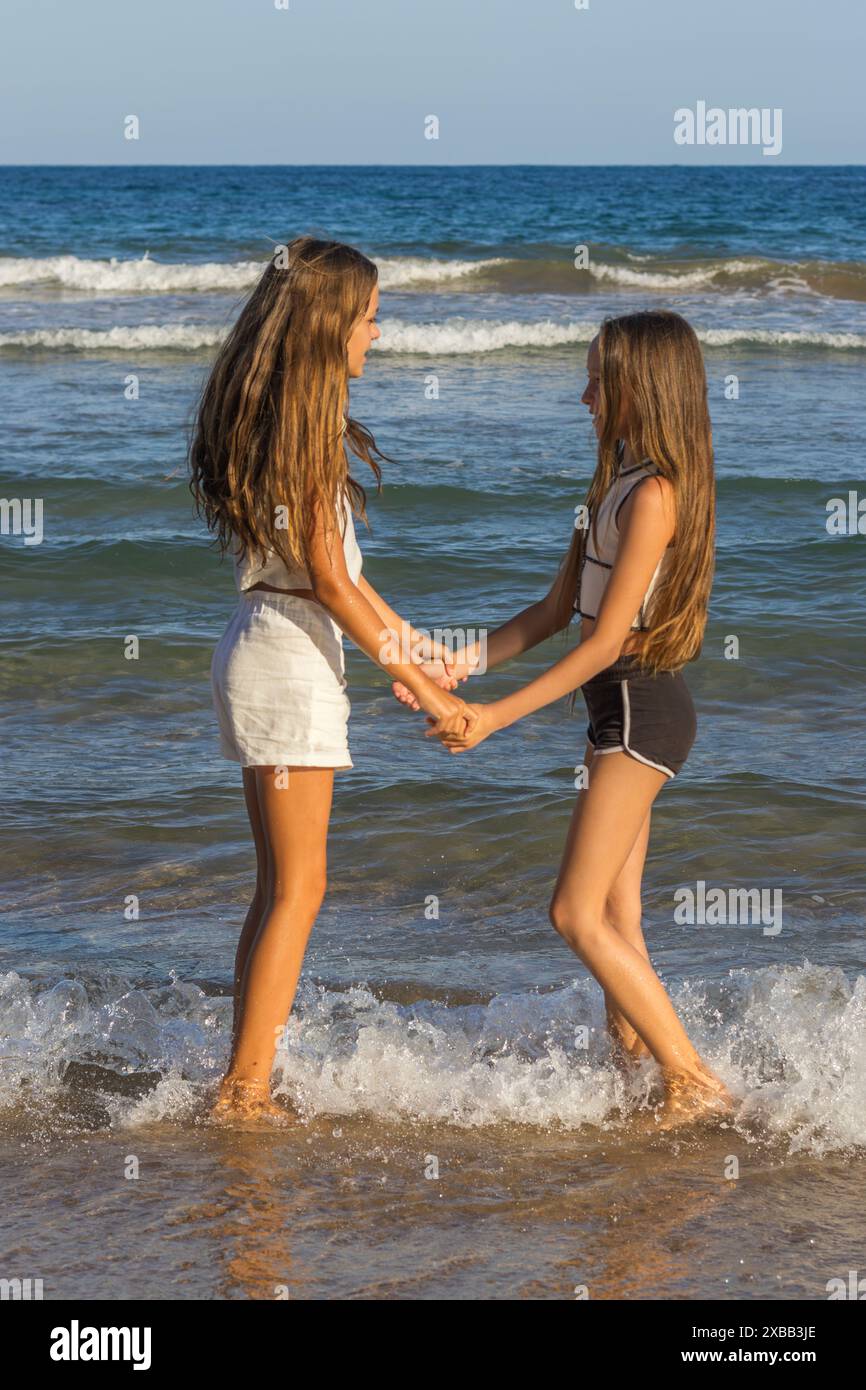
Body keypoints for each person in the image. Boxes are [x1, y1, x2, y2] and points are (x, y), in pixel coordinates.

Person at [414, 310, 732, 1126]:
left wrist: (490, 718)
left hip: (640, 713)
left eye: (598, 379)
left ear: (639, 387)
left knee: (573, 913)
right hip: (617, 717)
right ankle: (635, 1087)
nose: (583, 394)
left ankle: (693, 1082)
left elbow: (604, 647)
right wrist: (459, 663)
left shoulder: (655, 495)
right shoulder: (610, 487)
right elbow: (557, 611)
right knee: (617, 920)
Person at [190, 236, 471, 1122]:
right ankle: (244, 1090)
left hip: (267, 643)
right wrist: (432, 696)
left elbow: (334, 579)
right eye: (370, 318)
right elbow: (334, 582)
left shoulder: (277, 423)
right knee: (300, 887)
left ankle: (243, 1073)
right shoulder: (304, 434)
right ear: (329, 327)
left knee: (280, 884)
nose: (377, 336)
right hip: (288, 665)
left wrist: (415, 647)